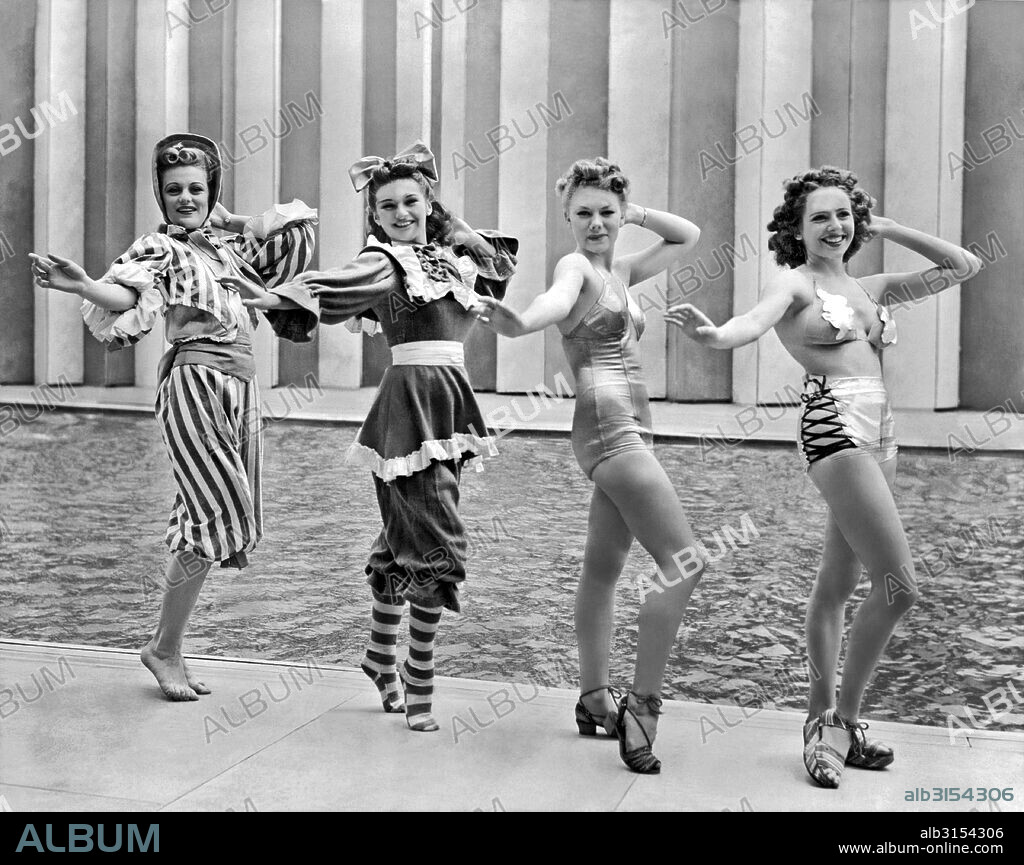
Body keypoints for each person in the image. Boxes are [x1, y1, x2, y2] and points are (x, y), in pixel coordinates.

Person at [666, 166, 982, 788]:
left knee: (837, 581)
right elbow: (750, 324)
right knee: (901, 587)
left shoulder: (875, 287)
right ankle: (841, 722)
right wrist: (713, 335)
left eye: (844, 214)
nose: (834, 226)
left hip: (882, 432)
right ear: (797, 229)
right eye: (819, 217)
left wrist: (890, 227)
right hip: (834, 428)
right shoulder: (796, 284)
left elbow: (963, 266)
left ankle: (822, 719)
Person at [222, 142, 518, 733]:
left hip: (447, 407)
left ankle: (379, 657)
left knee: (403, 534)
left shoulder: (447, 256)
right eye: (388, 206)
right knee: (438, 542)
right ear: (375, 215)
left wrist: (451, 226)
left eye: (412, 200)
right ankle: (418, 679)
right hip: (409, 410)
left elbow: (499, 268)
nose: (402, 212)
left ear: (429, 199)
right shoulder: (386, 262)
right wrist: (280, 296)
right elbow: (341, 283)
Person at [31, 133, 317, 701]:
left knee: (209, 516)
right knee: (219, 510)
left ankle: (164, 646)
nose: (185, 198)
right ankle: (164, 648)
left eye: (197, 188)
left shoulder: (227, 250)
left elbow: (299, 232)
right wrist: (84, 284)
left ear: (212, 191)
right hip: (195, 383)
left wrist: (230, 219)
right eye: (174, 190)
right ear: (160, 197)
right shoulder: (160, 249)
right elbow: (124, 295)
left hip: (242, 390)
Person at [475, 158, 703, 774]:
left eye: (608, 212)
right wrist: (518, 322)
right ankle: (643, 708)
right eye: (584, 213)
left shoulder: (623, 269)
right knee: (686, 563)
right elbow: (553, 303)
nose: (597, 222)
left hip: (635, 425)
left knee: (603, 568)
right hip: (609, 428)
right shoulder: (575, 267)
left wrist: (635, 210)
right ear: (567, 217)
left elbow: (688, 236)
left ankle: (594, 697)